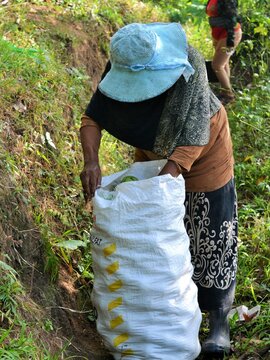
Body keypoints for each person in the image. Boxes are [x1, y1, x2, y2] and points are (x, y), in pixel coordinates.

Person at [80, 22, 238, 358]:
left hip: (204, 152)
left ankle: (218, 320)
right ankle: (175, 311)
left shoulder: (188, 64)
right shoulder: (122, 60)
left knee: (209, 236)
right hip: (153, 153)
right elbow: (93, 118)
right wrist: (91, 162)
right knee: (164, 242)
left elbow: (191, 137)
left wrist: (158, 193)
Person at [206, 0, 242, 105]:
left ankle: (228, 95)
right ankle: (224, 92)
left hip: (230, 34)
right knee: (223, 63)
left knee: (217, 65)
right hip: (219, 33)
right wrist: (215, 38)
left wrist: (229, 40)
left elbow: (232, 17)